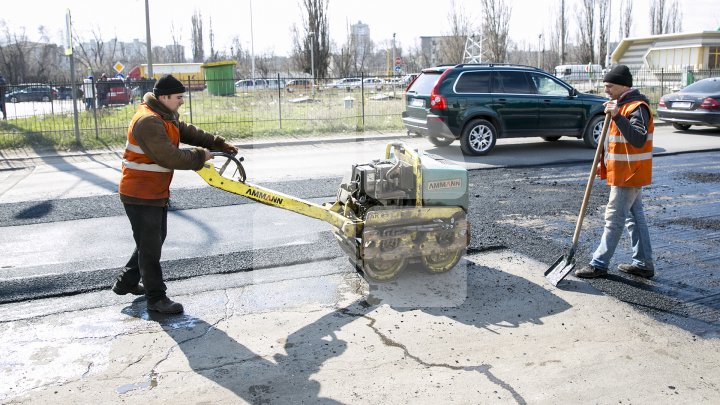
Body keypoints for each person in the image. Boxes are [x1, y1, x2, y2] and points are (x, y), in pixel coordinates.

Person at [113, 74, 238, 314]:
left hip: (153, 191)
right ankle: (156, 299)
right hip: (140, 194)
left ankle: (126, 282)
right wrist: (201, 156)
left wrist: (218, 144)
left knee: (153, 240)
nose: (182, 101)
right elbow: (170, 157)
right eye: (179, 97)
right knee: (150, 247)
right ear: (164, 97)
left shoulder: (164, 115)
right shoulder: (148, 121)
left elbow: (188, 132)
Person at [575, 64, 655, 280]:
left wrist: (618, 116)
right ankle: (644, 263)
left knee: (614, 218)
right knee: (634, 218)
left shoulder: (637, 107)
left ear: (622, 85)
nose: (606, 89)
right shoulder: (621, 105)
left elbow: (637, 139)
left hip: (628, 174)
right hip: (627, 172)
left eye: (609, 86)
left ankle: (599, 264)